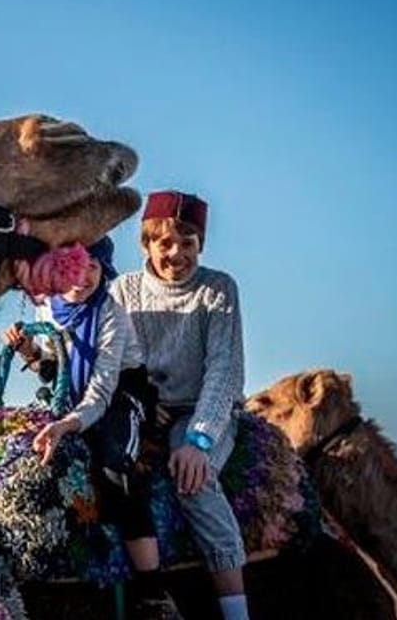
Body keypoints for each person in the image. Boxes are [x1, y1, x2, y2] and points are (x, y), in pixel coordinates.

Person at [9, 238, 182, 620]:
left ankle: (154, 592)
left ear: (104, 269)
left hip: (120, 392)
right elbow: (56, 370)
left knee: (115, 468)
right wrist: (27, 351)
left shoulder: (110, 315)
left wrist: (66, 425)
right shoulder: (47, 309)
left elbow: (102, 390)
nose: (84, 277)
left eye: (93, 266)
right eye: (75, 265)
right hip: (72, 398)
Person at [111, 190, 250, 620]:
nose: (176, 253)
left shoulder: (218, 289)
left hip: (203, 408)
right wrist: (145, 404)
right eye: (165, 243)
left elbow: (225, 369)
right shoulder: (124, 290)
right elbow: (115, 360)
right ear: (146, 244)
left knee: (193, 479)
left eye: (187, 243)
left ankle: (236, 611)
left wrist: (199, 439)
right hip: (147, 407)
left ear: (200, 245)